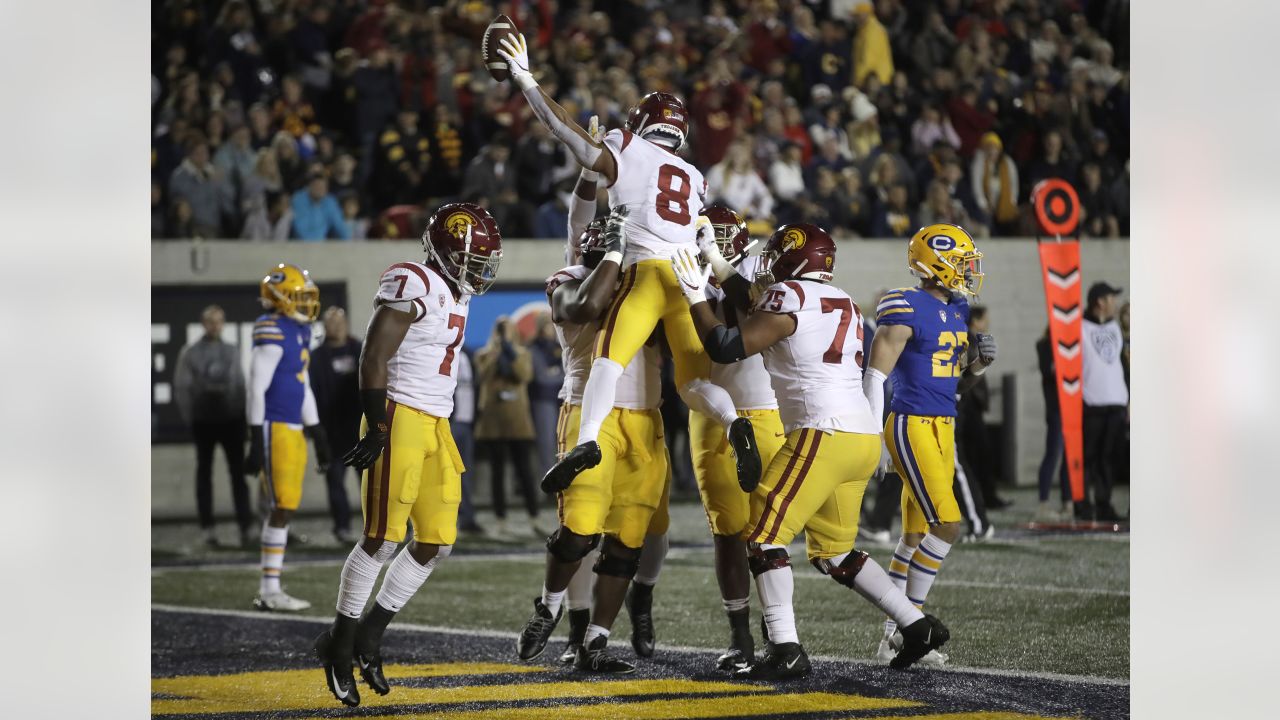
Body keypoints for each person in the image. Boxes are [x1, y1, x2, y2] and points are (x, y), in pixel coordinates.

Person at [670, 223, 948, 680]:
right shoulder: (843, 302)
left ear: (793, 259)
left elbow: (726, 344)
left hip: (822, 433)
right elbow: (755, 304)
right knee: (835, 552)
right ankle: (918, 626)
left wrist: (696, 295)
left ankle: (786, 648)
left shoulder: (788, 299)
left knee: (761, 536)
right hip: (859, 435)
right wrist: (719, 268)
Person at [493, 35, 756, 501]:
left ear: (639, 125)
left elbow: (566, 135)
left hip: (646, 275)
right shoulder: (695, 176)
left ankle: (588, 441)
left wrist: (527, 81)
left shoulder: (626, 145)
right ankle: (735, 423)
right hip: (687, 280)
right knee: (693, 381)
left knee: (607, 364)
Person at [315, 203, 503, 707]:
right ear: (443, 249)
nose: (479, 269)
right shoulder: (413, 279)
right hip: (398, 415)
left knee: (436, 541)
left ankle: (369, 635)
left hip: (437, 424)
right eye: (472, 257)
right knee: (380, 538)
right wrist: (377, 422)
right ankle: (338, 644)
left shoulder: (457, 292)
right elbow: (373, 354)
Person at [516, 203, 670, 674]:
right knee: (580, 530)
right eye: (606, 240)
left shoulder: (646, 282)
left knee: (627, 541)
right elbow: (586, 305)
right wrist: (616, 255)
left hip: (646, 417)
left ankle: (596, 643)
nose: (612, 247)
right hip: (588, 411)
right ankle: (549, 606)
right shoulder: (567, 279)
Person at [863, 223, 997, 667]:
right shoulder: (904, 304)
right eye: (961, 262)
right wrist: (872, 431)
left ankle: (890, 640)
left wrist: (976, 368)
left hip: (942, 424)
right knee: (948, 525)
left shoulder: (957, 308)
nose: (967, 271)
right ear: (935, 261)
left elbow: (952, 386)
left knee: (915, 535)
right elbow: (876, 375)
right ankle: (913, 629)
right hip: (910, 423)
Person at [686, 205, 788, 672]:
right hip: (712, 412)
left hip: (766, 411)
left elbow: (753, 302)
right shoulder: (680, 271)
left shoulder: (755, 270)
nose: (719, 243)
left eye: (725, 236)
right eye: (711, 236)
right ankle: (741, 639)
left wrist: (714, 263)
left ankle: (778, 634)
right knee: (728, 532)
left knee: (767, 535)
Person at [246, 264, 330, 611]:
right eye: (297, 296)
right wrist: (254, 438)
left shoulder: (298, 330)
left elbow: (301, 383)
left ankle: (271, 588)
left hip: (293, 426)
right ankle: (269, 590)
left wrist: (317, 430)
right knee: (281, 507)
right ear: (278, 298)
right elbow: (256, 387)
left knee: (286, 507)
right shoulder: (271, 330)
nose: (305, 303)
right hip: (274, 425)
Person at [173, 305, 251, 547]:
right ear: (203, 324)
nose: (214, 326)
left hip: (231, 421)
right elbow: (182, 388)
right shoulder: (191, 352)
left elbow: (240, 385)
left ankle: (245, 528)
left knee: (238, 476)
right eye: (210, 321)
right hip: (204, 422)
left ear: (223, 323)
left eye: (219, 321)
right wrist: (192, 418)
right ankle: (208, 529)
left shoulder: (231, 350)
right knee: (204, 475)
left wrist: (241, 417)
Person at [474, 316, 545, 538]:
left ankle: (535, 518)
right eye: (500, 331)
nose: (504, 335)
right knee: (497, 473)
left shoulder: (523, 354)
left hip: (518, 420)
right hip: (493, 420)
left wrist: (510, 353)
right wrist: (496, 354)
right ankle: (500, 521)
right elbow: (482, 376)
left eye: (507, 331)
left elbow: (524, 375)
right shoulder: (484, 355)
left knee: (524, 471)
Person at [309, 306, 363, 543]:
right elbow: (311, 393)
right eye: (332, 323)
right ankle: (341, 527)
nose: (337, 327)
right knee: (335, 483)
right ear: (324, 326)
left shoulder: (359, 349)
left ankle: (376, 528)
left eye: (340, 322)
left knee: (372, 484)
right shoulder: (317, 357)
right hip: (331, 432)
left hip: (360, 431)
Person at [1080, 282, 1128, 521]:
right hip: (1091, 402)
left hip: (1116, 402)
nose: (1115, 303)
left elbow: (1122, 365)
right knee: (1089, 459)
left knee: (1109, 460)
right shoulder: (1080, 327)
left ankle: (1104, 504)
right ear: (1100, 301)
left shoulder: (1115, 328)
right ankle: (1084, 504)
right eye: (1111, 298)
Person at [1035, 326, 1072, 521]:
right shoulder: (1044, 345)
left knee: (1068, 456)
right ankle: (1043, 502)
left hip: (1071, 408)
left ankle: (1068, 502)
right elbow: (1051, 370)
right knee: (1053, 453)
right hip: (1056, 409)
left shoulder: (1072, 346)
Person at [528, 314, 565, 475]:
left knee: (564, 440)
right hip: (542, 399)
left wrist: (554, 373)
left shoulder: (560, 346)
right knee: (546, 442)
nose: (553, 329)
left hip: (562, 399)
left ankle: (564, 479)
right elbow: (541, 377)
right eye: (550, 325)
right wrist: (556, 374)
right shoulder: (534, 348)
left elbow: (567, 373)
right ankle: (548, 480)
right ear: (542, 327)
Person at [452, 347, 483, 534]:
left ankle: (467, 517)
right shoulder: (442, 353)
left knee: (465, 473)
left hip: (467, 422)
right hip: (451, 422)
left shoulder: (468, 356)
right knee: (448, 473)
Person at [292, 169, 350, 240]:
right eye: (317, 186)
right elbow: (300, 229)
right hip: (299, 243)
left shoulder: (330, 201)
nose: (320, 190)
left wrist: (348, 242)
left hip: (321, 244)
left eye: (323, 187)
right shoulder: (298, 199)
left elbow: (340, 226)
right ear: (309, 186)